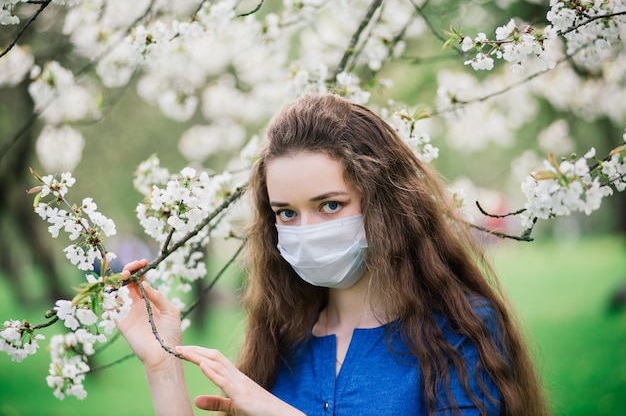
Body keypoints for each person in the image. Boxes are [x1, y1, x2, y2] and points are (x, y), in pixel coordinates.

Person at [119, 93, 549, 415]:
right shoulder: (283, 336)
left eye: (330, 205)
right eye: (286, 212)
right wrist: (162, 367)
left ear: (384, 201)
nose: (306, 232)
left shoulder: (458, 331)